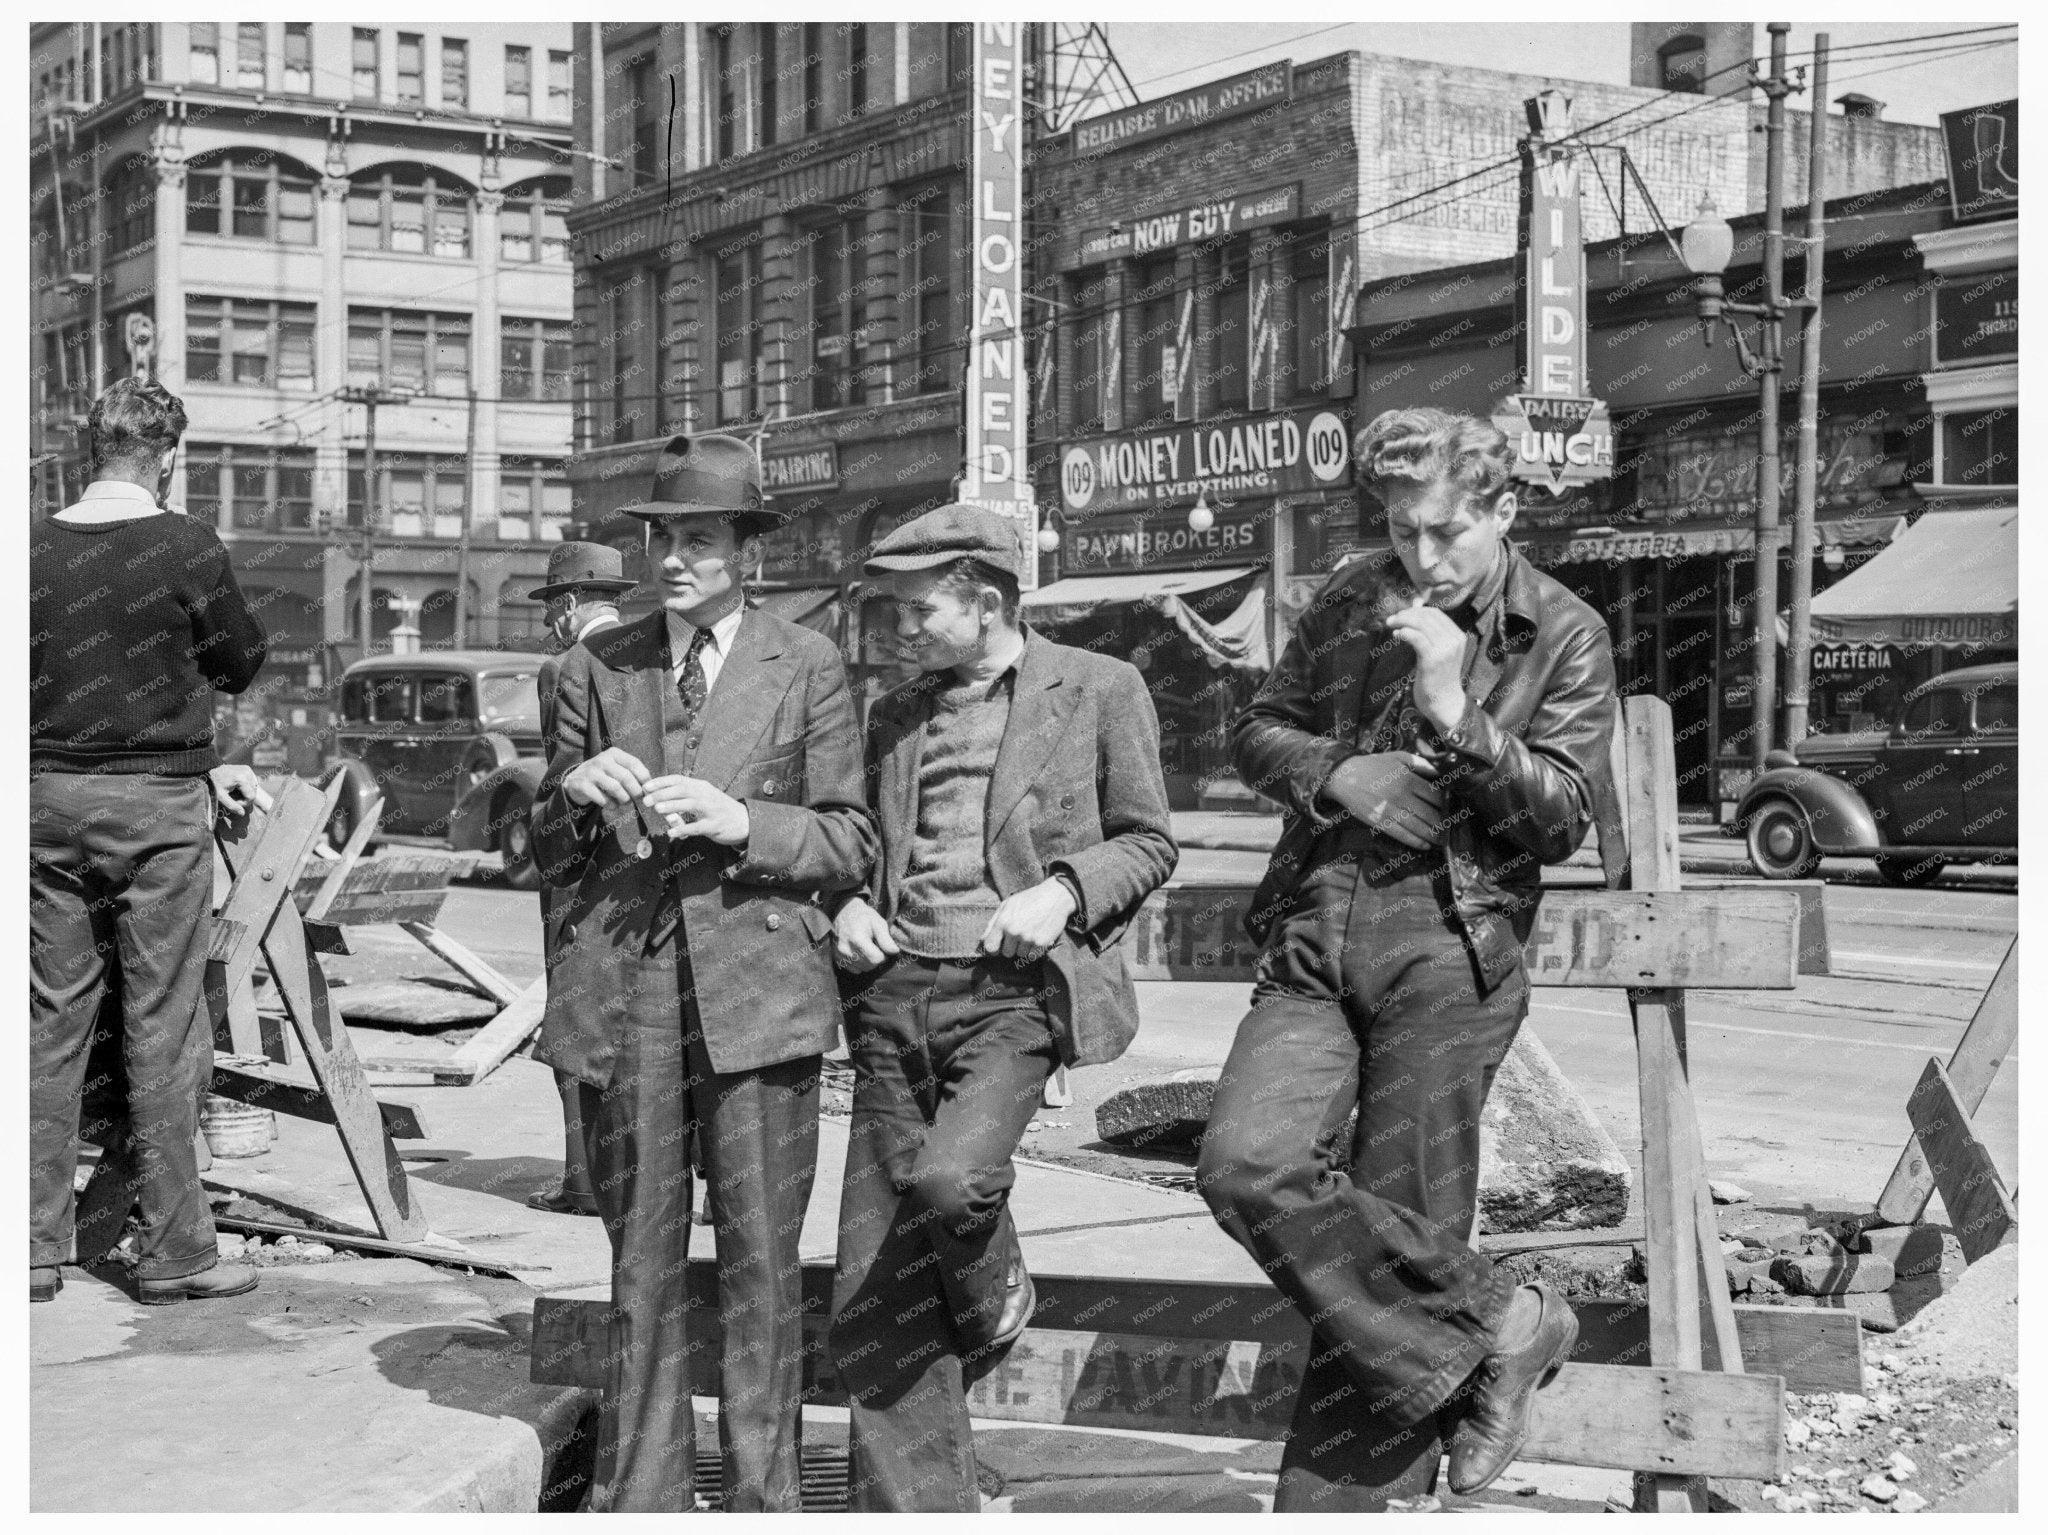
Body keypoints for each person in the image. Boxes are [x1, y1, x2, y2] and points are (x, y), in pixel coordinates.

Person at [1196, 407, 1625, 1509]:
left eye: (1444, 533)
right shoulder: (1352, 592)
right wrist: (1340, 773)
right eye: (1401, 531)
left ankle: (1329, 1510)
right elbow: (1258, 726)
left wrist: (1455, 714)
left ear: (1502, 509)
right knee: (1245, 1163)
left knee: (1396, 1228)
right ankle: (1503, 1321)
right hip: (1315, 923)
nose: (1420, 558)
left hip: (1449, 939)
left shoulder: (1560, 632)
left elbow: (1562, 816)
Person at [530, 432, 876, 1512]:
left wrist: (744, 820)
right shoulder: (599, 663)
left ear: (745, 550)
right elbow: (543, 852)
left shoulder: (807, 662)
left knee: (765, 1264)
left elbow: (850, 840)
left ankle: (764, 1497)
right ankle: (644, 1493)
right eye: (662, 538)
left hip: (759, 1000)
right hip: (625, 995)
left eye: (699, 538)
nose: (675, 558)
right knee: (640, 1258)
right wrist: (571, 794)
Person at [828, 504, 1178, 1511]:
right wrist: (845, 901)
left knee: (950, 1183)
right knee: (875, 1276)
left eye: (916, 607)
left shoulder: (1101, 688)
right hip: (894, 993)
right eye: (891, 608)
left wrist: (1063, 889)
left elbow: (1148, 840)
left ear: (984, 601)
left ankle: (993, 1295)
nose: (898, 627)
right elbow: (855, 844)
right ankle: (919, 1508)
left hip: (1015, 998)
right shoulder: (895, 711)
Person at [31, 378, 272, 1305]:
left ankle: (32, 1248)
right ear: (169, 454)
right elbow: (239, 662)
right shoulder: (184, 543)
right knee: (163, 1025)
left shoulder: (32, 544)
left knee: (50, 1021)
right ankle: (174, 1251)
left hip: (44, 804)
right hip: (155, 808)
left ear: (90, 449)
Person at [524, 541, 637, 1219]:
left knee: (575, 1024)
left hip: (580, 867)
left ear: (568, 605)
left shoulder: (565, 665)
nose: (549, 625)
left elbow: (559, 783)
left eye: (550, 609)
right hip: (645, 869)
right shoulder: (657, 657)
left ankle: (584, 1180)